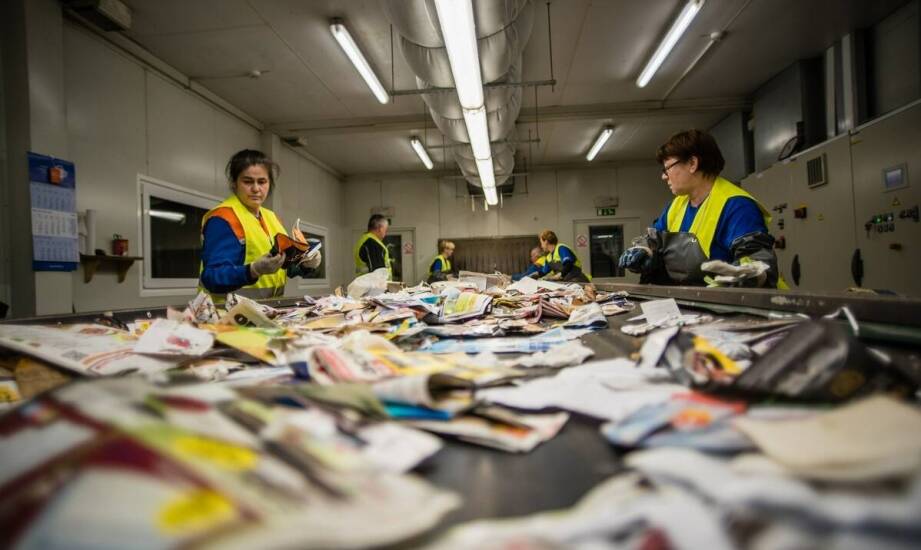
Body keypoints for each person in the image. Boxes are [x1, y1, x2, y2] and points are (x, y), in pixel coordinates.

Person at [618, 129, 783, 288]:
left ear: (692, 163)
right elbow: (654, 240)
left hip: (739, 309)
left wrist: (749, 275)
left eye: (667, 168)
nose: (663, 176)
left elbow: (759, 263)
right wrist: (643, 250)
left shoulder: (737, 206)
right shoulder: (677, 205)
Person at [199, 149, 321, 299]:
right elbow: (212, 277)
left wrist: (305, 264)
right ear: (234, 184)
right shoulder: (223, 218)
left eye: (262, 182)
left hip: (265, 314)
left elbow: (280, 267)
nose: (256, 189)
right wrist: (253, 270)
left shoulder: (271, 217)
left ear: (270, 184)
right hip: (228, 318)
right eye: (247, 181)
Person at [354, 214, 392, 279]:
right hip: (373, 287)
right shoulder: (372, 243)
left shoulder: (365, 240)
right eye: (385, 229)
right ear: (380, 228)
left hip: (366, 285)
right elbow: (377, 272)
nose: (385, 233)